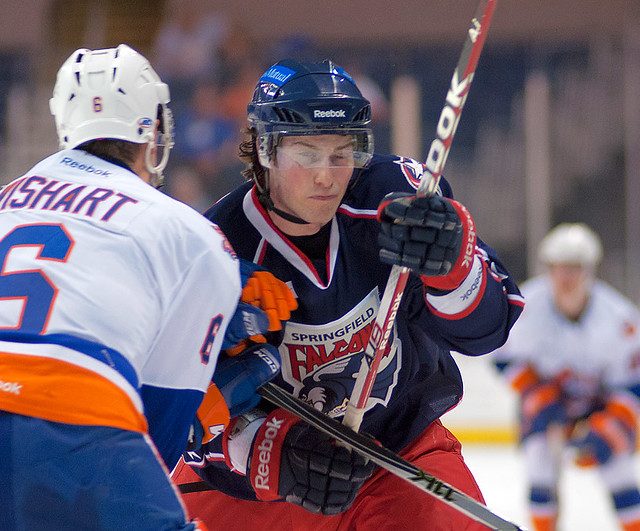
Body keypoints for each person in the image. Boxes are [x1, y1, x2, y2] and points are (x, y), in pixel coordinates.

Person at [171, 59, 525, 530]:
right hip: (261, 487)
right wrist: (269, 451)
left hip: (395, 457)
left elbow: (488, 330)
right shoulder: (213, 247)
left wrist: (454, 268)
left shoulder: (395, 202)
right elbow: (176, 412)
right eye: (306, 153)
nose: (326, 175)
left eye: (342, 152)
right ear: (263, 149)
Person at [0, 44, 292, 530]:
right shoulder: (191, 235)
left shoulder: (6, 200)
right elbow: (160, 436)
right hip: (78, 422)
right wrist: (208, 409)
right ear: (154, 129)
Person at [493, 223, 640, 531]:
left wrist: (614, 420)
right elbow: (501, 357)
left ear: (590, 270)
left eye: (574, 268)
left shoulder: (620, 318)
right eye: (558, 268)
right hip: (547, 397)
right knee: (539, 464)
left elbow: (632, 383)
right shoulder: (525, 307)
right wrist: (534, 391)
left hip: (601, 403)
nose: (565, 277)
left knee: (619, 470)